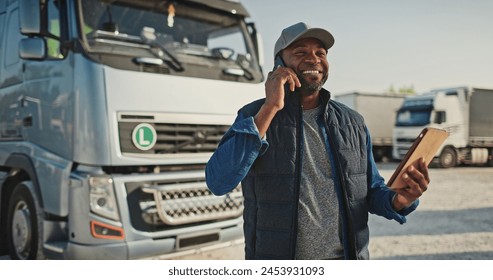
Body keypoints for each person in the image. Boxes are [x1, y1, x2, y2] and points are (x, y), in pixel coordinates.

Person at [205, 22, 430, 260]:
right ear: (279, 65)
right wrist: (271, 106)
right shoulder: (255, 116)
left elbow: (370, 191)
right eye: (301, 52)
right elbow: (219, 181)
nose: (314, 60)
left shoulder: (353, 122)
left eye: (320, 53)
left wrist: (399, 200)